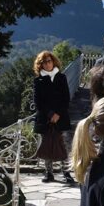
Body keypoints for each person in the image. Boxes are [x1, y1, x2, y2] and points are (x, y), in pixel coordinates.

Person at [33, 50, 75, 184]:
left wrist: (58, 113)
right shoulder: (38, 80)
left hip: (61, 117)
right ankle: (48, 172)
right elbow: (38, 101)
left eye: (49, 61)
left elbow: (66, 98)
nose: (47, 64)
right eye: (43, 62)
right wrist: (50, 114)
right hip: (45, 118)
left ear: (53, 61)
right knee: (47, 144)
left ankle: (66, 172)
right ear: (40, 65)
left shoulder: (61, 77)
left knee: (63, 145)